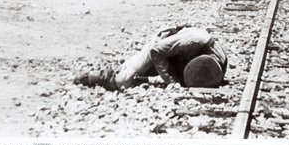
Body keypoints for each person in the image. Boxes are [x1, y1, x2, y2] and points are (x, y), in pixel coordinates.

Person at [74, 26, 227, 90]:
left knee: (142, 77)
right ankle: (96, 77)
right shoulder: (194, 41)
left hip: (178, 59)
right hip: (162, 46)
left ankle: (139, 78)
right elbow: (156, 51)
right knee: (123, 80)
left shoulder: (219, 62)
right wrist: (171, 82)